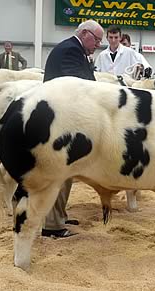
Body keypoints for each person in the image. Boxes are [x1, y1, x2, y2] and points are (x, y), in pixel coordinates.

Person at [41, 19, 104, 237]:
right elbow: (77, 85)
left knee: (66, 171)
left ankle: (58, 216)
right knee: (61, 171)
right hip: (62, 120)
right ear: (85, 34)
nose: (97, 44)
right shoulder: (70, 51)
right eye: (96, 39)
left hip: (64, 118)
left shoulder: (73, 49)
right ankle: (52, 225)